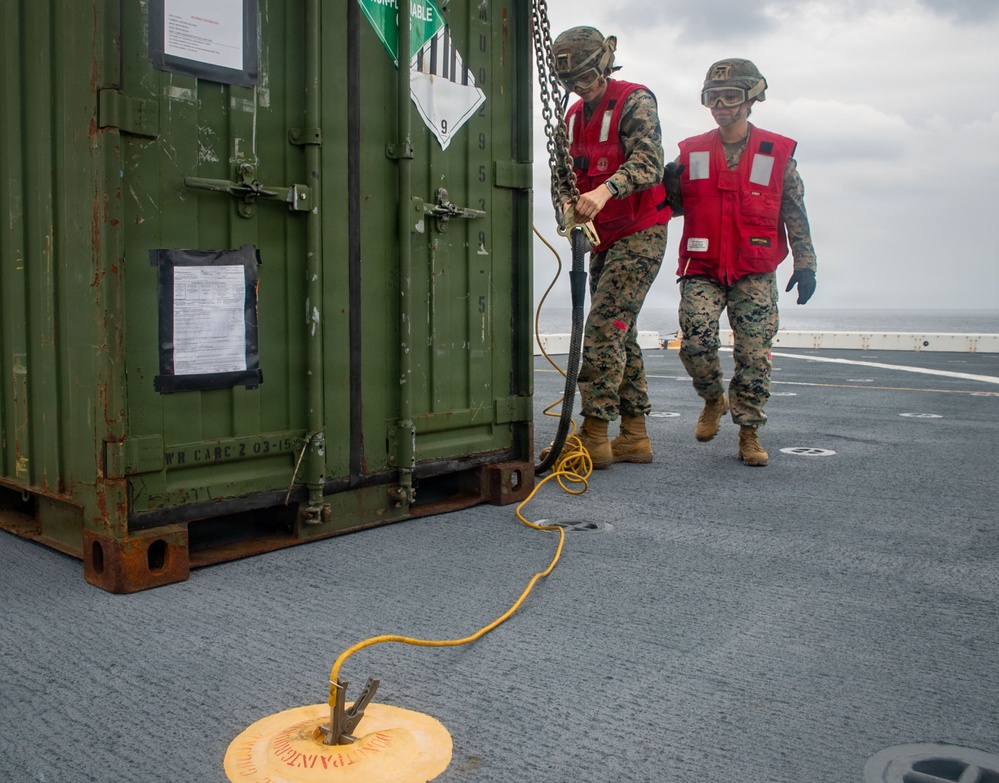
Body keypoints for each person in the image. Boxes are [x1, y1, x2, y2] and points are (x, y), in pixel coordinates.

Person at [670, 58, 817, 466]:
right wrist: (666, 189)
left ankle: (749, 432)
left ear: (752, 99)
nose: (720, 105)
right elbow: (672, 205)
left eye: (730, 97)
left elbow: (794, 211)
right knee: (696, 340)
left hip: (753, 268)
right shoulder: (691, 151)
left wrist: (805, 263)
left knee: (753, 355)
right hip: (702, 266)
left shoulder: (777, 152)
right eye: (712, 98)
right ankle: (713, 399)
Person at [551, 26, 672, 468]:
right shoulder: (569, 117)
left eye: (586, 76)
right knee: (622, 330)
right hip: (603, 238)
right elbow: (560, 175)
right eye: (571, 82)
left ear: (604, 63)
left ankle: (596, 435)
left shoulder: (635, 100)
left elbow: (649, 162)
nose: (580, 87)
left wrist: (603, 192)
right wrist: (566, 202)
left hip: (641, 231)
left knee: (603, 327)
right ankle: (635, 435)